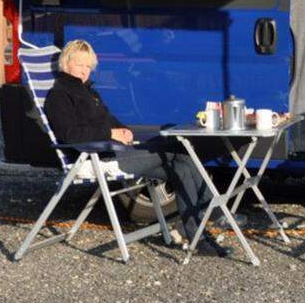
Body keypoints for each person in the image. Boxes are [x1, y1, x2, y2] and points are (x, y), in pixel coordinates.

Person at [43, 39, 229, 256]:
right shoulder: (59, 95)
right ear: (66, 64)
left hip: (112, 151)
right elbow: (69, 135)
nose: (84, 71)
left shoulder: (87, 90)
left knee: (183, 165)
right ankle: (215, 210)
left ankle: (198, 237)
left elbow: (108, 118)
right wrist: (111, 134)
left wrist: (123, 130)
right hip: (94, 158)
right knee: (175, 149)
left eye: (88, 66)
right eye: (79, 65)